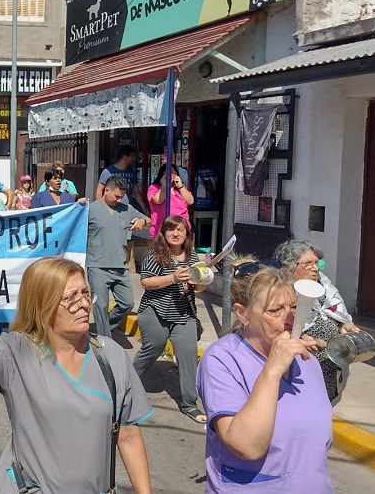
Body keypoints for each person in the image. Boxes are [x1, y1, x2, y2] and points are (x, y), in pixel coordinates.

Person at [0, 258, 153, 493]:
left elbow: (129, 436)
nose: (83, 304)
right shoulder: (13, 351)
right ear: (43, 304)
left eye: (85, 293)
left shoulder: (110, 355)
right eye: (71, 298)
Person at [197, 258, 333, 492]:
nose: (289, 318)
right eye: (274, 311)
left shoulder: (306, 361)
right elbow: (246, 446)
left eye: (293, 307)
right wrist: (272, 370)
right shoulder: (222, 359)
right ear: (243, 313)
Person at [132, 215, 205, 423]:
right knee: (153, 347)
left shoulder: (192, 257)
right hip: (155, 310)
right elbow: (146, 282)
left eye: (180, 230)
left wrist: (202, 279)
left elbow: (199, 288)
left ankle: (189, 403)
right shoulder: (156, 255)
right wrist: (172, 278)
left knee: (188, 355)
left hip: (183, 313)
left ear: (186, 234)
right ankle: (128, 383)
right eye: (171, 230)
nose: (176, 234)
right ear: (163, 233)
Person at [273, 239, 360, 404]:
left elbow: (337, 312)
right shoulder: (281, 293)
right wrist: (300, 338)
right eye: (307, 264)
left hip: (329, 367)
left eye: (317, 263)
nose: (314, 268)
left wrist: (344, 324)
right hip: (300, 367)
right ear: (289, 266)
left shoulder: (324, 285)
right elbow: (275, 328)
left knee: (324, 406)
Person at [87, 175, 150, 337]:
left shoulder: (126, 209)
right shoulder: (90, 210)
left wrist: (142, 222)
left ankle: (104, 328)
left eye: (121, 197)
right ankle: (104, 340)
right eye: (116, 196)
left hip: (120, 267)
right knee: (100, 305)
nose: (119, 200)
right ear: (106, 190)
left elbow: (148, 220)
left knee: (127, 303)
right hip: (97, 266)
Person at [95, 145, 149, 214]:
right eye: (132, 156)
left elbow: (136, 192)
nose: (134, 159)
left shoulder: (131, 172)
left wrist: (143, 207)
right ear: (125, 156)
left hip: (126, 209)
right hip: (110, 208)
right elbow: (99, 190)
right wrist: (100, 207)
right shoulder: (108, 171)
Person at [147, 165, 194, 239]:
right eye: (167, 173)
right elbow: (158, 200)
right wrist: (164, 186)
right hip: (163, 230)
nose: (170, 175)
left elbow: (190, 201)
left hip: (181, 229)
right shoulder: (154, 187)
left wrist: (180, 186)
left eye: (172, 173)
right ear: (162, 174)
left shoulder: (179, 188)